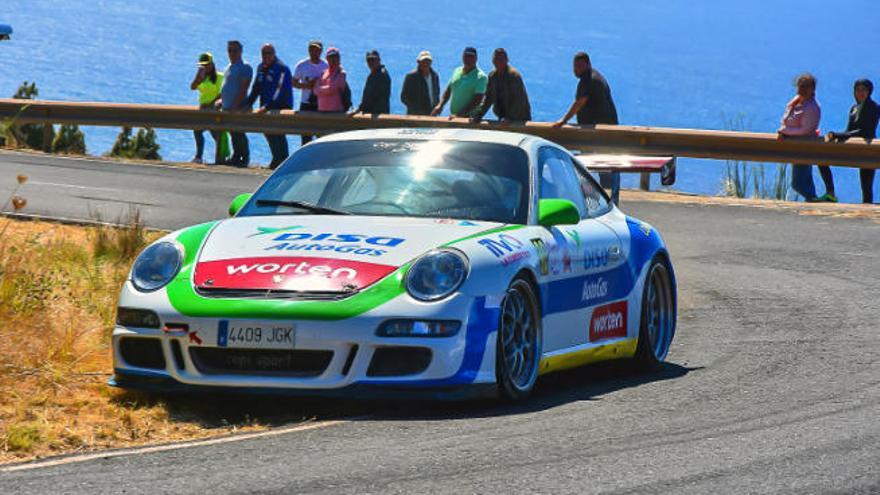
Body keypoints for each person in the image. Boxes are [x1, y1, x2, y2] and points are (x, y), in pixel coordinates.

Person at [552, 51, 620, 197]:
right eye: (575, 66)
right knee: (599, 167)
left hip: (599, 133)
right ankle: (599, 198)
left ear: (588, 64)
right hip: (601, 131)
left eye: (580, 66)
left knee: (594, 167)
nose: (577, 69)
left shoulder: (589, 80)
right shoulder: (593, 77)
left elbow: (579, 103)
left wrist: (563, 121)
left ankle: (597, 200)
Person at [827, 79, 879, 204]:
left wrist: (839, 135)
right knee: (822, 159)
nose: (860, 93)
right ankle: (830, 193)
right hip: (852, 148)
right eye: (858, 90)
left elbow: (864, 131)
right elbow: (849, 129)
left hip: (868, 149)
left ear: (869, 91)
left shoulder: (874, 107)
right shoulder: (854, 108)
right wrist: (840, 136)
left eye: (864, 90)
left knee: (866, 185)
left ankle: (867, 209)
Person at [778, 73, 822, 202]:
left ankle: (814, 200)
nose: (802, 89)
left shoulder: (812, 107)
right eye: (800, 86)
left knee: (798, 184)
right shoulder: (796, 102)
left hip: (804, 147)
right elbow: (786, 119)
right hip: (795, 147)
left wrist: (784, 131)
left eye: (806, 86)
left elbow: (805, 130)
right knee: (805, 179)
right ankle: (813, 201)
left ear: (813, 89)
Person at [247, 43, 293, 169]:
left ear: (274, 54)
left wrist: (267, 107)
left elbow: (279, 91)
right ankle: (276, 160)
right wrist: (247, 104)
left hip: (281, 107)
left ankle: (283, 161)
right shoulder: (261, 68)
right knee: (268, 132)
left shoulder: (281, 68)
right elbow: (256, 88)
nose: (266, 56)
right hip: (265, 107)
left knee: (278, 133)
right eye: (263, 53)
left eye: (269, 53)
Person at [218, 40, 253, 167]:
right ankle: (236, 157)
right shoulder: (228, 67)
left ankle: (244, 157)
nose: (232, 53)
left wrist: (236, 105)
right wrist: (221, 101)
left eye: (235, 50)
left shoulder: (245, 67)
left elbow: (244, 87)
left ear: (240, 51)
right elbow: (227, 87)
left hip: (237, 108)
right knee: (233, 134)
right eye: (230, 50)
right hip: (227, 108)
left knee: (239, 133)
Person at [189, 52, 229, 164]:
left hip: (214, 110)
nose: (205, 67)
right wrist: (198, 78)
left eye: (207, 65)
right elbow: (192, 87)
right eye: (203, 65)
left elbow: (222, 94)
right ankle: (198, 156)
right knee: (197, 130)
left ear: (212, 64)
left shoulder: (220, 77)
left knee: (217, 135)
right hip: (202, 109)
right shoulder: (201, 78)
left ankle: (222, 159)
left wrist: (211, 104)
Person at [472, 48, 532, 123]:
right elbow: (488, 99)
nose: (498, 61)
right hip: (503, 119)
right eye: (496, 59)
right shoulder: (492, 76)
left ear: (507, 60)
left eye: (501, 59)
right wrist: (479, 115)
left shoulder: (514, 76)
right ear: (493, 61)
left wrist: (510, 118)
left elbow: (518, 101)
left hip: (520, 119)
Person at [431, 47, 488, 118]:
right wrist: (440, 105)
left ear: (476, 59)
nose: (468, 59)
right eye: (466, 56)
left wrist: (459, 115)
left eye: (471, 57)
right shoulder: (457, 71)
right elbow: (448, 90)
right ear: (462, 57)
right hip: (454, 117)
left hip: (471, 119)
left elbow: (477, 100)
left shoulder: (481, 77)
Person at [292, 40, 328, 145]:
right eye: (311, 49)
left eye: (316, 49)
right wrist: (307, 86)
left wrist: (318, 86)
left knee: (321, 135)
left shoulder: (325, 66)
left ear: (321, 51)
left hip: (320, 104)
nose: (314, 51)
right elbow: (294, 82)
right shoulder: (302, 65)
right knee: (305, 136)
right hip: (306, 103)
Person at [350, 50, 391, 116]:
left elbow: (374, 97)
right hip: (371, 114)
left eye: (373, 59)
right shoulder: (373, 75)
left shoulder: (382, 75)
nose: (370, 62)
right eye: (368, 60)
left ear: (379, 60)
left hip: (378, 115)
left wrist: (360, 109)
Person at [401, 51, 440, 115]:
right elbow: (403, 97)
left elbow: (436, 93)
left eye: (428, 61)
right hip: (415, 115)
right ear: (418, 62)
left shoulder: (434, 76)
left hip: (431, 114)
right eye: (423, 61)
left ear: (431, 62)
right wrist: (414, 110)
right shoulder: (411, 77)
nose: (426, 63)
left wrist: (437, 107)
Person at [313, 47, 348, 113]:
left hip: (335, 111)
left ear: (339, 58)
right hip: (321, 110)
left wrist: (320, 89)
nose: (333, 59)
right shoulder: (323, 73)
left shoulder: (341, 73)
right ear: (327, 59)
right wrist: (322, 89)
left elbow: (331, 89)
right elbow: (315, 90)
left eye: (335, 57)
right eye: (330, 57)